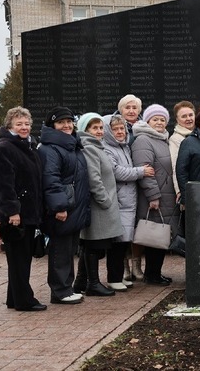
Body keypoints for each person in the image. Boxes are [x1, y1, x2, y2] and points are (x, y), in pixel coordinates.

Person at [0, 107, 45, 311]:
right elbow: (3, 184)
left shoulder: (28, 146)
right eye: (19, 124)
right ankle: (24, 300)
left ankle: (14, 298)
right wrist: (12, 211)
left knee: (20, 258)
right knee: (19, 259)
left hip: (29, 212)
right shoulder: (5, 148)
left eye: (27, 123)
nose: (24, 127)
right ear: (10, 126)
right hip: (16, 214)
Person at [38, 106, 89, 305]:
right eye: (61, 122)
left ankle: (66, 287)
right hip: (63, 208)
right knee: (60, 250)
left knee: (69, 249)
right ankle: (60, 290)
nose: (66, 125)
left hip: (73, 206)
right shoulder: (50, 149)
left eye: (69, 121)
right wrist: (59, 207)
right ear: (53, 125)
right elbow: (51, 179)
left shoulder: (71, 146)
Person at [74, 113, 124, 296]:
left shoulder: (97, 146)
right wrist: (105, 200)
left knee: (91, 245)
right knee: (93, 245)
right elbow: (94, 179)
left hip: (103, 206)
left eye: (101, 127)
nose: (99, 131)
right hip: (99, 207)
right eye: (94, 128)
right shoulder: (89, 148)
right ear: (85, 130)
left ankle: (80, 281)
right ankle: (93, 284)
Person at [102, 114, 154, 288]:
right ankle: (114, 278)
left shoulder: (124, 147)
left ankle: (118, 276)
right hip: (119, 201)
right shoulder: (108, 148)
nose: (120, 132)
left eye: (122, 129)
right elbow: (117, 172)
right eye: (115, 129)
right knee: (117, 242)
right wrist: (141, 172)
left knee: (124, 241)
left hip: (128, 201)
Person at [132, 104, 178, 286]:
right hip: (154, 198)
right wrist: (153, 196)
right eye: (155, 119)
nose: (159, 123)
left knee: (160, 236)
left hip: (165, 196)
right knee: (154, 237)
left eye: (162, 120)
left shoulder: (162, 139)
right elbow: (146, 171)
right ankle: (152, 275)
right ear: (147, 121)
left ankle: (155, 272)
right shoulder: (144, 140)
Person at [117, 94, 145, 279]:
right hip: (123, 185)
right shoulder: (114, 127)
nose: (131, 111)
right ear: (120, 110)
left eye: (134, 107)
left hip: (142, 182)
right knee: (123, 227)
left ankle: (137, 265)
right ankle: (124, 265)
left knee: (138, 226)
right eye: (127, 107)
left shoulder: (145, 127)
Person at [169, 100, 196, 196]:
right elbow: (175, 167)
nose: (188, 119)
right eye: (184, 116)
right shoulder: (175, 139)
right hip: (189, 189)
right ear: (177, 119)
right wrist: (179, 191)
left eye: (190, 115)